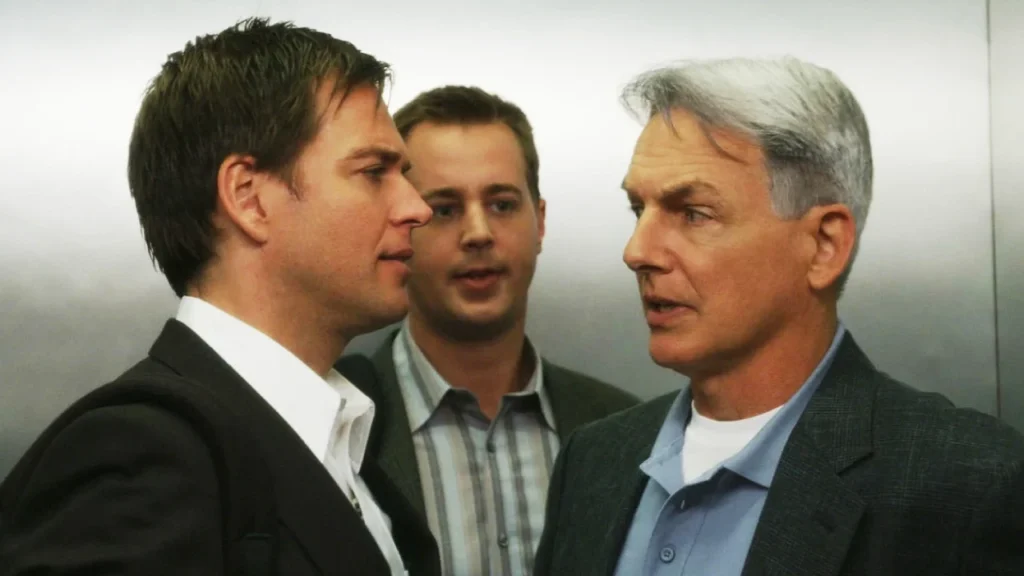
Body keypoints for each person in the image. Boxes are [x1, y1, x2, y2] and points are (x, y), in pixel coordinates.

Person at [533, 56, 1024, 575]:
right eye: (639, 210)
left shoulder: (967, 486)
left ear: (822, 246)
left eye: (694, 213)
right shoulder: (593, 459)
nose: (637, 251)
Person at [0, 17, 440, 575]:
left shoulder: (343, 451)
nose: (417, 208)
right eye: (374, 171)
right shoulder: (144, 455)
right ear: (248, 199)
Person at [345, 85, 638, 576]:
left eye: (502, 204)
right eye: (444, 209)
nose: (479, 233)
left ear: (539, 222)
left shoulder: (624, 430)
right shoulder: (338, 423)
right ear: (400, 224)